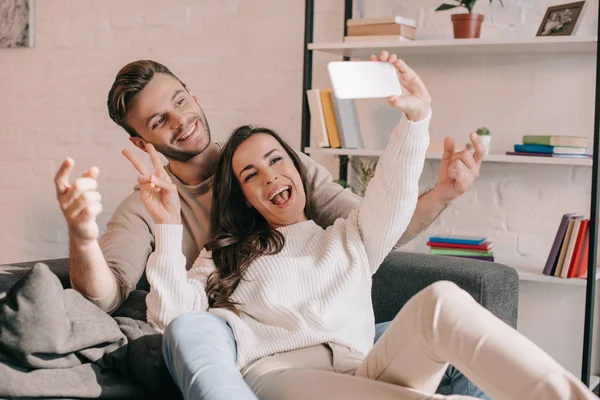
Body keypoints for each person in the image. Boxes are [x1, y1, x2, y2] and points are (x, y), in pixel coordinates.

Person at [128, 54, 597, 400]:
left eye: (276, 160)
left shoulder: (347, 237)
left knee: (443, 301)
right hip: (281, 377)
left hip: (363, 370)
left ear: (296, 168)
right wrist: (167, 224)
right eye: (251, 175)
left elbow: (391, 197)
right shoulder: (225, 254)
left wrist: (416, 117)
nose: (270, 175)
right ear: (245, 198)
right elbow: (173, 321)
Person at [54, 53, 488, 398]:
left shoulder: (276, 161)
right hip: (252, 343)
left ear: (194, 95)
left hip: (333, 329)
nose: (180, 120)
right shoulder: (148, 207)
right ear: (140, 141)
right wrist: (82, 232)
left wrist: (443, 189)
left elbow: (377, 222)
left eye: (180, 101)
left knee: (452, 327)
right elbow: (106, 295)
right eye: (158, 121)